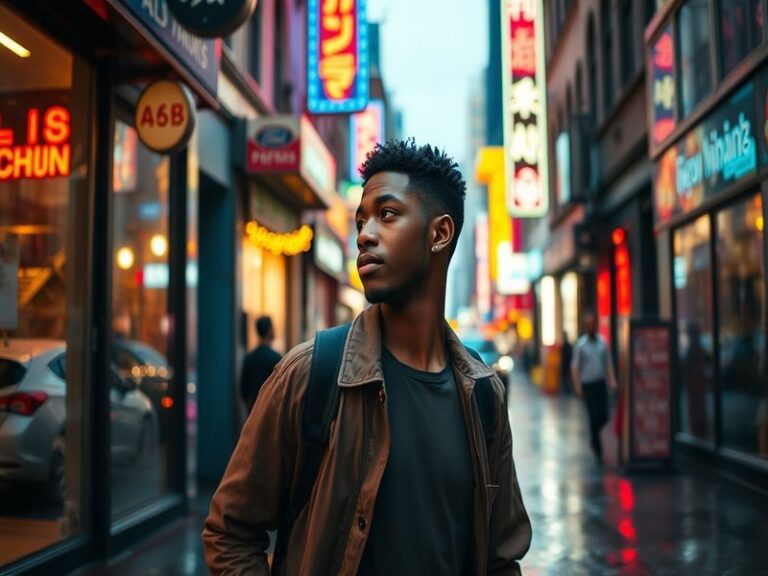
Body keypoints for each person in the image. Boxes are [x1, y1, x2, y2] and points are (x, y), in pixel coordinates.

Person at [203, 139, 532, 575]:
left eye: (387, 214)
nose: (365, 234)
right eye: (361, 220)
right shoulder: (309, 375)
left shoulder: (484, 396)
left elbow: (501, 558)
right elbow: (229, 533)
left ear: (440, 233)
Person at [570, 311, 617, 464]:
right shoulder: (581, 345)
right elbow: (575, 367)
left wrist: (612, 380)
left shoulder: (602, 342)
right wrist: (577, 386)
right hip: (588, 385)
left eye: (592, 324)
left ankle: (595, 439)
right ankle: (597, 447)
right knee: (593, 417)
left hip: (600, 383)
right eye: (587, 324)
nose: (590, 327)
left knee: (604, 416)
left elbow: (607, 363)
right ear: (585, 326)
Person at [240, 316, 282, 413]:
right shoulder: (276, 358)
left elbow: (243, 390)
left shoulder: (249, 358)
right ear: (269, 330)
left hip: (253, 411)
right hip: (270, 412)